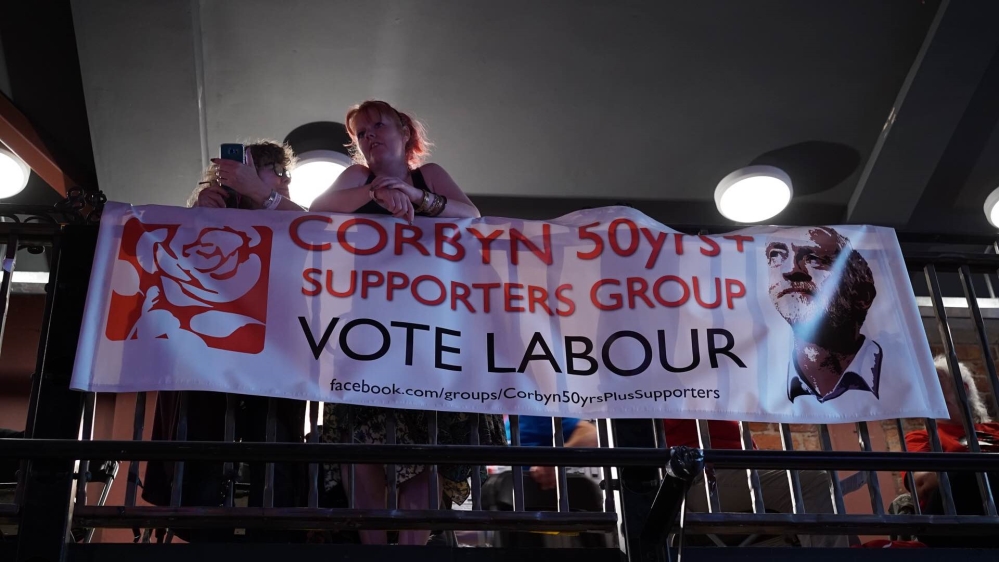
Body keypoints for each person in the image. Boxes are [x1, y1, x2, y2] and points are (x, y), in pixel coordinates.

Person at [309, 101, 506, 545]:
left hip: (432, 335)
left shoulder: (428, 175)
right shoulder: (356, 179)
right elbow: (317, 211)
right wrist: (377, 192)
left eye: (379, 125)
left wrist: (416, 197)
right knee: (362, 456)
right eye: (361, 133)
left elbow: (470, 216)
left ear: (404, 131)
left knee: (434, 452)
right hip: (370, 337)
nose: (370, 135)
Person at [143, 141, 307, 542]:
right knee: (202, 426)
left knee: (273, 434)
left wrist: (263, 195)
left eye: (285, 175)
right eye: (276, 171)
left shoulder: (289, 215)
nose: (285, 181)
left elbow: (316, 227)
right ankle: (196, 520)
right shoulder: (209, 211)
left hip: (276, 351)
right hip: (208, 347)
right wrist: (198, 216)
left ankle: (273, 523)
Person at [663, 418, 849, 548]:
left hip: (736, 474)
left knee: (820, 491)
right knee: (814, 483)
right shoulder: (672, 385)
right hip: (696, 480)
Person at [765, 227, 881, 403]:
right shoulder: (763, 382)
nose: (790, 270)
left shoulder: (901, 372)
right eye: (776, 256)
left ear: (862, 296)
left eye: (814, 258)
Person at [903, 356, 998, 547]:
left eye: (936, 386)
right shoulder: (921, 437)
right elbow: (920, 483)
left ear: (963, 389)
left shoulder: (995, 430)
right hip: (950, 517)